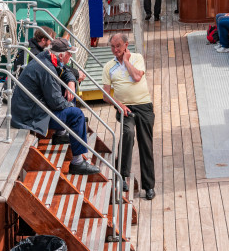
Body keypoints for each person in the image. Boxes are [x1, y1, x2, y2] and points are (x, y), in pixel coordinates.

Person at [11, 37, 99, 175]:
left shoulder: (46, 57)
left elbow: (65, 70)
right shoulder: (47, 69)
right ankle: (77, 163)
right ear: (62, 55)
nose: (71, 56)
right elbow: (56, 102)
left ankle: (61, 133)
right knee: (77, 115)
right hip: (30, 116)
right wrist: (70, 105)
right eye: (69, 54)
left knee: (69, 93)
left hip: (31, 109)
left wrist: (71, 82)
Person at [102, 33, 156, 199]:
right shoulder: (108, 67)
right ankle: (122, 176)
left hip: (144, 106)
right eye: (112, 46)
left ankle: (149, 186)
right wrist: (119, 105)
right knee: (128, 134)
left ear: (126, 45)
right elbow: (105, 95)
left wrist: (125, 61)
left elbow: (137, 77)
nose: (115, 50)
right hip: (124, 108)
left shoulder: (137, 58)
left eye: (118, 46)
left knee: (146, 144)